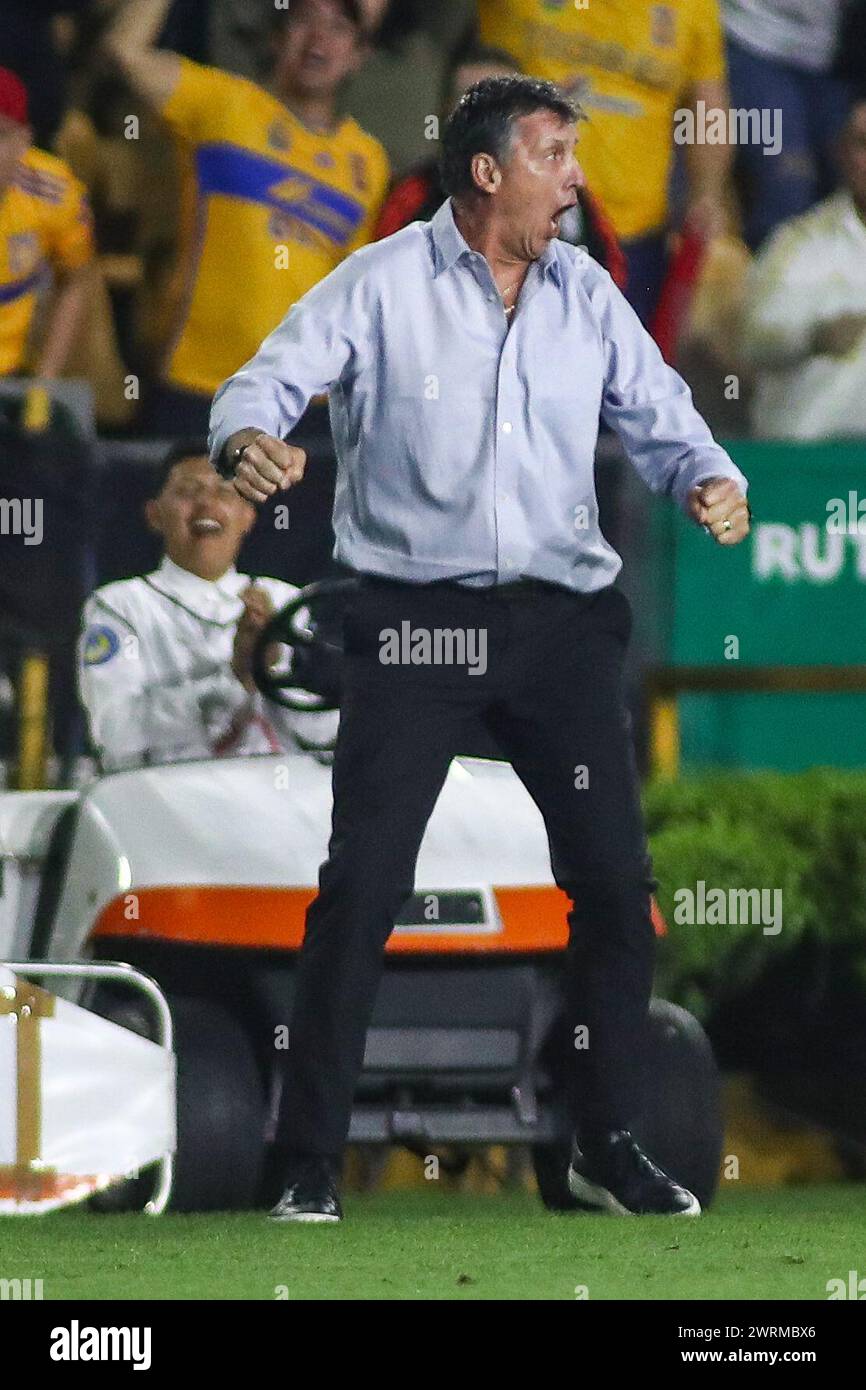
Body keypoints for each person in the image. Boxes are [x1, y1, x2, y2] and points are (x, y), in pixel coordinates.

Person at [210, 76, 750, 1224]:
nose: (575, 176)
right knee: (362, 884)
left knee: (612, 886)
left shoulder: (589, 295)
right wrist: (250, 434)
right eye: (554, 153)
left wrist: (709, 476)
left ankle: (603, 1140)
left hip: (560, 629)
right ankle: (304, 1155)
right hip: (413, 621)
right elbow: (261, 382)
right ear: (487, 173)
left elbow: (665, 417)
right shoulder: (379, 282)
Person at [103, 0, 390, 435]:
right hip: (199, 383)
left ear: (358, 56)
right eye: (303, 21)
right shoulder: (222, 104)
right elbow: (125, 50)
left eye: (338, 28)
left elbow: (351, 294)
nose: (318, 38)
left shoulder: (369, 161)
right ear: (277, 37)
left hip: (304, 401)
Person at [79, 442, 337, 773]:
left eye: (225, 493)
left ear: (247, 516)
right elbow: (114, 731)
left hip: (277, 801)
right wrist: (234, 678)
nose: (206, 504)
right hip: (165, 800)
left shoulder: (285, 602)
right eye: (188, 491)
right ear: (155, 515)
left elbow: (323, 731)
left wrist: (273, 671)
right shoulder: (121, 605)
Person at [474, 0, 732, 325]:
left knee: (608, 367)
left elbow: (707, 104)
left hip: (632, 238)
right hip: (517, 220)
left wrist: (707, 192)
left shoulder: (693, 7)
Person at [374, 41, 627, 290]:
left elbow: (606, 289)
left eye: (501, 108)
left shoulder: (573, 203)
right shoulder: (414, 196)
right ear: (444, 115)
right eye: (470, 105)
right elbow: (384, 283)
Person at [740, 101, 866, 441]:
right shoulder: (797, 244)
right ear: (841, 153)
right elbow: (752, 341)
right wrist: (813, 337)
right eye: (863, 143)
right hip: (803, 469)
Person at [723, 0, 852, 248]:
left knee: (844, 191)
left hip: (826, 54)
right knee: (790, 189)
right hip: (752, 38)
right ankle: (773, 284)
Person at [0, 67, 95, 383]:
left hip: (11, 379)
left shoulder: (54, 192)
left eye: (0, 134)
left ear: (23, 141)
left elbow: (76, 279)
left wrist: (45, 380)